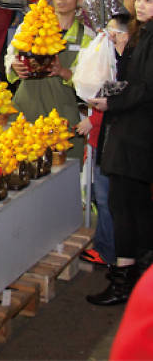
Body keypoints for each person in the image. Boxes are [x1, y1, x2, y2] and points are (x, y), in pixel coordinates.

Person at [85, 0, 153, 306]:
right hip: (132, 132)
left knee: (122, 205)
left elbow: (144, 89)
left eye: (150, 1)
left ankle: (124, 280)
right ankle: (138, 277)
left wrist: (111, 105)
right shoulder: (141, 35)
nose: (142, 6)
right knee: (135, 205)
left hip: (135, 135)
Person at [6, 0, 93, 159]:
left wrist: (63, 72)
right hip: (26, 106)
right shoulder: (31, 25)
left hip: (62, 113)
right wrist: (14, 64)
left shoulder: (86, 36)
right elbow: (10, 53)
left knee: (63, 171)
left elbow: (89, 81)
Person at [75, 14, 130, 269]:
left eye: (111, 33)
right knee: (106, 197)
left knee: (106, 198)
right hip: (104, 141)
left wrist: (93, 121)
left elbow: (109, 97)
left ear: (122, 36)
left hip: (109, 142)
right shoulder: (115, 60)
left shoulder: (124, 64)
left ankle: (108, 250)